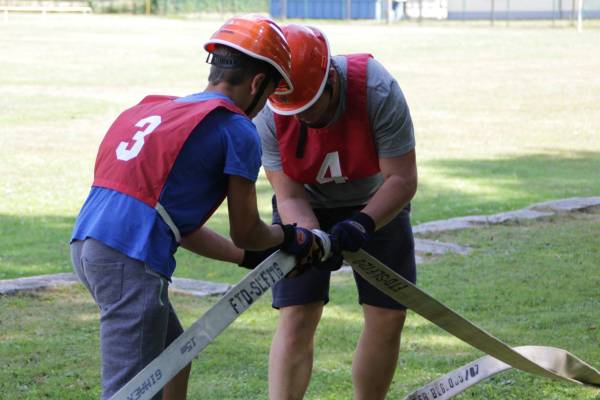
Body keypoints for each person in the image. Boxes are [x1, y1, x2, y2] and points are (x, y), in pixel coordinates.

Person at [69, 15, 327, 400]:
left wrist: (246, 259)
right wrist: (292, 237)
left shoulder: (158, 109)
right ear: (258, 84)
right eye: (271, 92)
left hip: (89, 244)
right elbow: (248, 231)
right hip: (129, 258)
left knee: (175, 354)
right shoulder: (236, 127)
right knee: (132, 392)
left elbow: (175, 223)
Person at [253, 24, 418, 400]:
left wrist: (363, 223)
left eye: (311, 106)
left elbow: (403, 178)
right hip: (304, 205)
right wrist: (313, 239)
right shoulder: (269, 112)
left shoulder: (377, 90)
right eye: (295, 111)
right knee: (297, 313)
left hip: (376, 201)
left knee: (388, 315)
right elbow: (288, 194)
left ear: (331, 79)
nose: (304, 118)